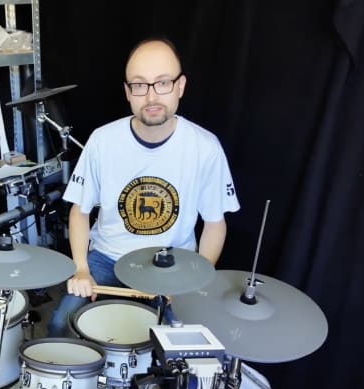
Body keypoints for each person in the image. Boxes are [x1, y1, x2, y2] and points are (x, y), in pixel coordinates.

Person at [47, 36, 240, 337]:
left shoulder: (205, 147)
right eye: (139, 85)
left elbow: (215, 224)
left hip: (174, 265)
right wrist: (81, 269)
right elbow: (79, 211)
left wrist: (195, 281)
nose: (151, 97)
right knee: (61, 324)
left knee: (182, 340)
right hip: (107, 259)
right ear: (128, 92)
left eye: (162, 83)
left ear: (180, 86)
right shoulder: (102, 141)